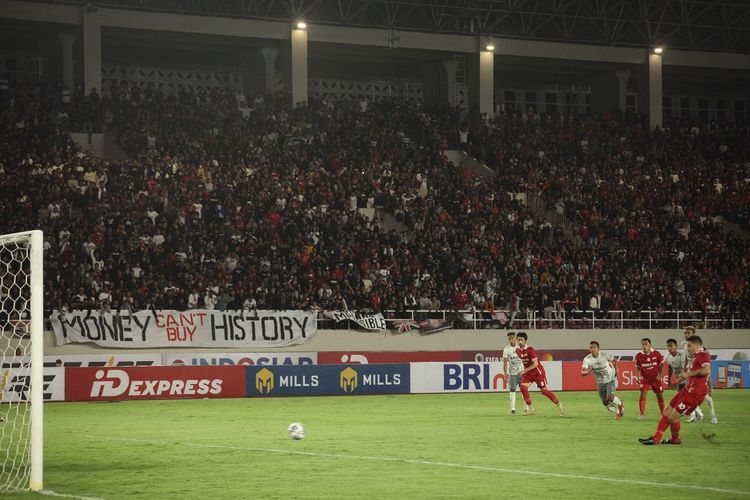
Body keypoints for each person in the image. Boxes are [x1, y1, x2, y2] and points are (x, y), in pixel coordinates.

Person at [639, 335, 710, 445]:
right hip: (687, 391)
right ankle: (658, 438)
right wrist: (681, 379)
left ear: (697, 346)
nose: (687, 348)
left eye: (689, 346)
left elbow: (706, 370)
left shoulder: (702, 355)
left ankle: (671, 439)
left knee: (672, 418)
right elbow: (694, 374)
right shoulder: (695, 357)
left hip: (695, 394)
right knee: (666, 411)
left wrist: (689, 374)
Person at [515, 332, 565, 416]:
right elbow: (525, 362)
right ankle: (531, 410)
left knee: (544, 392)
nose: (520, 342)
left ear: (525, 341)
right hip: (529, 373)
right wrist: (524, 371)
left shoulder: (530, 350)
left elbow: (535, 364)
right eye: (518, 340)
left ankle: (559, 404)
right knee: (523, 388)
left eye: (521, 340)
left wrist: (524, 371)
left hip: (538, 372)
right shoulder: (517, 350)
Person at [681, 326, 718, 424]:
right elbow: (686, 358)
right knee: (688, 395)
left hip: (700, 370)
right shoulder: (685, 345)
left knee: (705, 395)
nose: (686, 335)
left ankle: (713, 416)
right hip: (691, 371)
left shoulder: (700, 347)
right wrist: (685, 369)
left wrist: (710, 386)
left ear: (693, 333)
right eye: (685, 333)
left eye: (688, 333)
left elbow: (706, 363)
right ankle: (696, 415)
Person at [581, 341, 624, 419]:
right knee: (605, 402)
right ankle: (617, 411)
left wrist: (617, 370)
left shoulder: (604, 355)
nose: (592, 349)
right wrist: (587, 371)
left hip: (610, 378)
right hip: (600, 382)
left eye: (594, 347)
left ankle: (620, 406)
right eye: (591, 347)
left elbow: (614, 359)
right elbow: (583, 373)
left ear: (598, 348)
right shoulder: (587, 359)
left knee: (610, 397)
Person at [634, 338, 664, 418]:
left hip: (655, 379)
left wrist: (660, 375)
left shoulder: (656, 353)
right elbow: (637, 367)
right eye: (643, 344)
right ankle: (642, 414)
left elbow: (661, 364)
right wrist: (637, 377)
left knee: (659, 396)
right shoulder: (639, 356)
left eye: (646, 344)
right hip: (645, 379)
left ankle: (662, 414)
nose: (644, 346)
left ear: (650, 345)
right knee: (643, 395)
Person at [502, 331, 528, 415]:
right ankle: (513, 409)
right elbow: (505, 362)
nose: (510, 340)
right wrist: (505, 373)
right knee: (512, 390)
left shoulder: (521, 347)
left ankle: (526, 408)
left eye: (512, 338)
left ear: (515, 338)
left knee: (524, 389)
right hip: (512, 373)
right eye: (509, 339)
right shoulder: (506, 349)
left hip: (522, 372)